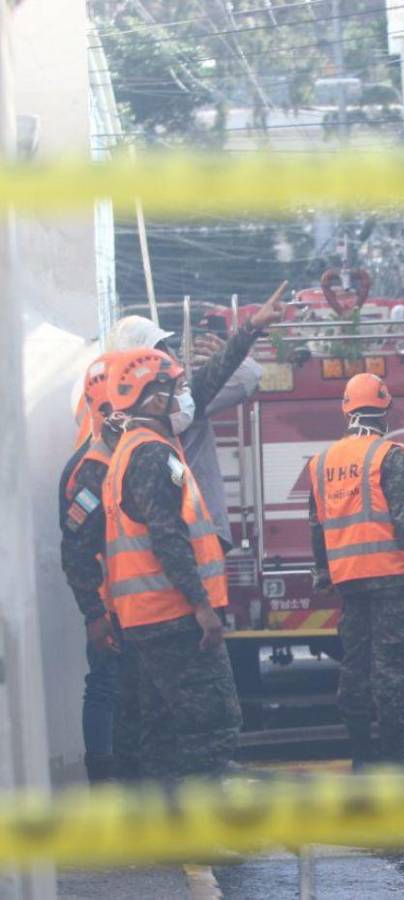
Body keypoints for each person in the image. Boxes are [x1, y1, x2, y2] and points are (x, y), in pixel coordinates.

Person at [102, 348, 242, 780]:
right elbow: (168, 538)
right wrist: (201, 607)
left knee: (162, 730)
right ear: (152, 398)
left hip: (149, 619)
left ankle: (171, 839)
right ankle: (199, 839)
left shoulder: (137, 449)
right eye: (175, 389)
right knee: (211, 725)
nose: (183, 397)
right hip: (175, 617)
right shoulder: (151, 454)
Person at [309, 373, 404, 769]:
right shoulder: (390, 455)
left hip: (348, 578)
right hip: (389, 576)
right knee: (390, 663)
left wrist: (321, 570)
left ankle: (360, 752)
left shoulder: (321, 463)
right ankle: (392, 752)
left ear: (346, 409)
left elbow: (316, 523)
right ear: (385, 409)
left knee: (355, 662)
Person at [108, 280, 287, 550]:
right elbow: (247, 377)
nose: (171, 353)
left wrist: (248, 329)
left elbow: (207, 385)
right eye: (163, 347)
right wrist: (229, 346)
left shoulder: (124, 419)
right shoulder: (174, 407)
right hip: (189, 542)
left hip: (187, 541)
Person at [58, 353, 131, 782]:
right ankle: (104, 781)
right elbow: (76, 549)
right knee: (105, 686)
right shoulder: (92, 470)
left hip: (128, 606)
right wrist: (95, 614)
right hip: (109, 608)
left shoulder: (117, 462)